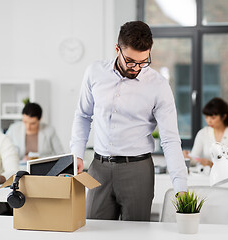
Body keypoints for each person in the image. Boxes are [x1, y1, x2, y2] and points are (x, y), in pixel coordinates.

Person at [70, 21, 188, 221]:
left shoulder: (159, 86)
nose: (137, 68)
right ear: (117, 50)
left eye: (143, 61)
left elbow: (170, 139)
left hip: (137, 170)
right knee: (93, 230)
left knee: (136, 233)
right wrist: (77, 155)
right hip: (99, 167)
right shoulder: (95, 72)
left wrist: (181, 188)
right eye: (131, 61)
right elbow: (83, 115)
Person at [183, 97, 228, 167]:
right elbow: (194, 157)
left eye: (213, 117)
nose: (209, 121)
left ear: (223, 116)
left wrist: (212, 165)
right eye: (206, 117)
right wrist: (188, 157)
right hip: (207, 176)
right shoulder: (203, 133)